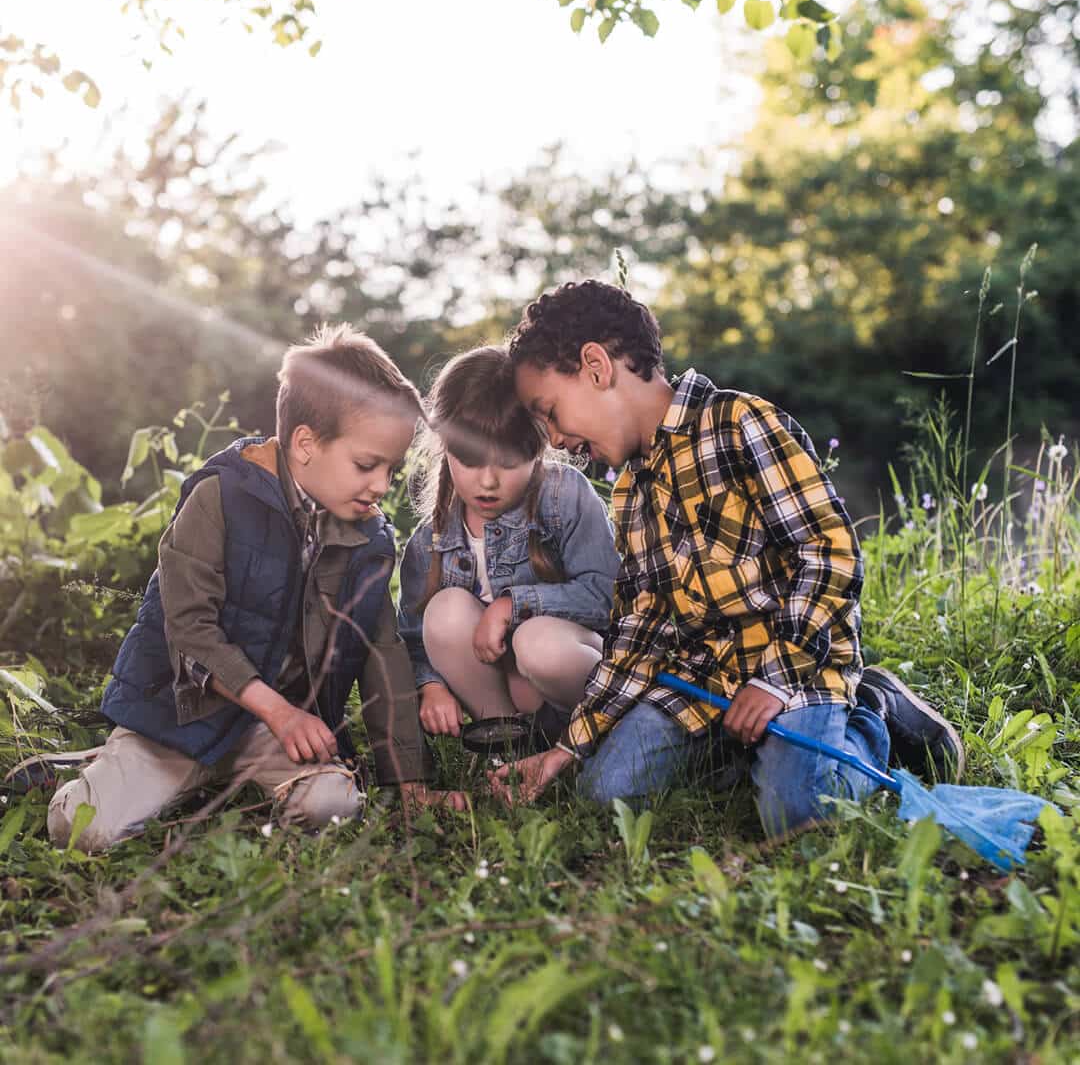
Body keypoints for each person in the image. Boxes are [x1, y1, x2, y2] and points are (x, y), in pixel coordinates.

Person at [492, 280, 964, 836]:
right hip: (701, 680)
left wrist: (775, 680)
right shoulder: (628, 493)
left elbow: (827, 551)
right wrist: (567, 751)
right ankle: (754, 752)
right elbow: (641, 629)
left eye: (550, 413)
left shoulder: (740, 424)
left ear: (596, 366)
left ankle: (874, 717)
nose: (554, 440)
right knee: (606, 795)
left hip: (793, 666)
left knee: (799, 812)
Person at [47, 324, 464, 852]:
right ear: (306, 443)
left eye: (391, 468)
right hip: (178, 720)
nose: (381, 486)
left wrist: (409, 783)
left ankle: (215, 779)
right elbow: (189, 631)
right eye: (366, 465)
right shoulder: (218, 498)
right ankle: (91, 771)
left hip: (273, 734)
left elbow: (383, 656)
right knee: (83, 830)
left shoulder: (368, 539)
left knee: (333, 808)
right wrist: (279, 710)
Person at [397, 344, 621, 748]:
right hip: (505, 695)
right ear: (444, 446)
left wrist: (512, 604)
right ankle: (509, 746)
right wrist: (430, 686)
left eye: (508, 461)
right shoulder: (430, 540)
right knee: (444, 611)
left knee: (538, 642)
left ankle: (595, 741)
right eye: (470, 459)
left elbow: (607, 596)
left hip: (569, 679)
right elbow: (412, 637)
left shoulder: (564, 495)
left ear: (541, 444)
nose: (487, 482)